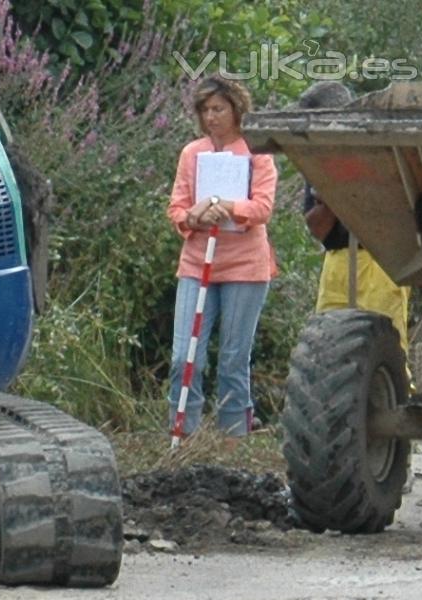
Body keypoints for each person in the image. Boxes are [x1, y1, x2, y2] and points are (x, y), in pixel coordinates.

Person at [166, 75, 278, 439]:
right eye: (205, 110)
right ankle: (184, 434)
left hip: (246, 267)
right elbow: (177, 208)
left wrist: (225, 206)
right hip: (197, 263)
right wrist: (194, 216)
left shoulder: (257, 152)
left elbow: (262, 207)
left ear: (236, 109)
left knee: (232, 360)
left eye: (219, 108)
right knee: (185, 356)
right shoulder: (191, 153)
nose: (211, 117)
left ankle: (234, 442)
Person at [299, 82, 410, 354]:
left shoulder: (379, 146)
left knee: (386, 345)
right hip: (336, 258)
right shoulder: (316, 159)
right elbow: (317, 227)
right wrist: (333, 193)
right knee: (324, 347)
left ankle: (396, 396)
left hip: (383, 260)